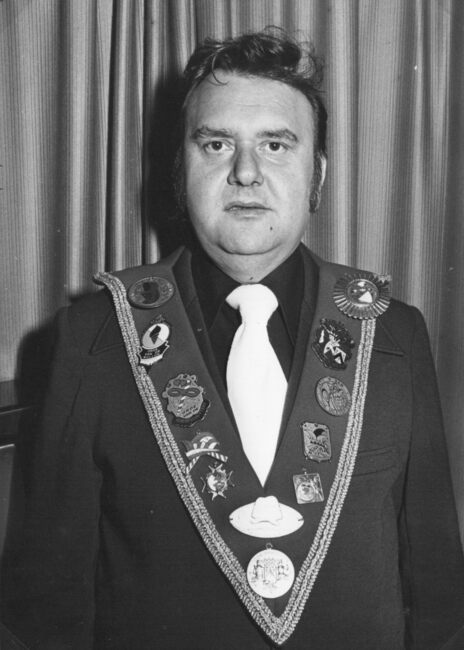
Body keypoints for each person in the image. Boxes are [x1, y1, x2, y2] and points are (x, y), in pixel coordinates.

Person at [2, 29, 464, 650]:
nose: (246, 172)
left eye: (276, 145)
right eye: (216, 144)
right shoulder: (93, 337)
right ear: (179, 171)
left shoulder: (392, 331)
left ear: (318, 175)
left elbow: (438, 594)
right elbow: (47, 608)